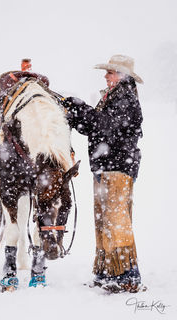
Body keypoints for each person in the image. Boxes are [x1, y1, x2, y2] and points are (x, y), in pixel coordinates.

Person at [63, 55, 144, 293]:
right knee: (104, 220)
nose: (106, 76)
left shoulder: (125, 98)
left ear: (122, 76)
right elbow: (94, 127)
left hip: (118, 167)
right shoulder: (113, 97)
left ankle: (128, 275)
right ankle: (106, 271)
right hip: (105, 167)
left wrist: (80, 107)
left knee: (117, 220)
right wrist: (75, 114)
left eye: (110, 72)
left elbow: (105, 125)